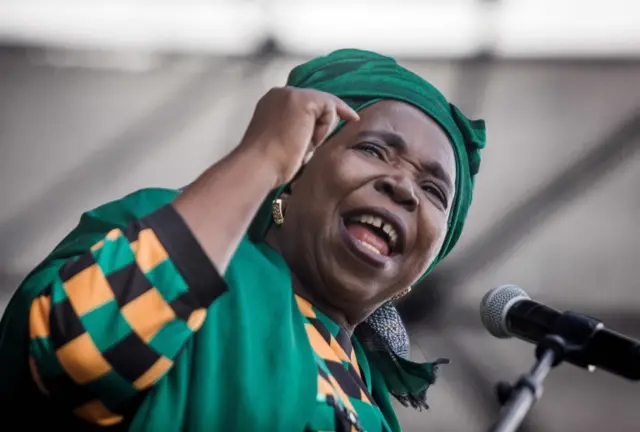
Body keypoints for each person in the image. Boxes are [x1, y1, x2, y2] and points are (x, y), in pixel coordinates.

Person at [0, 49, 486, 431]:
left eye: (433, 190)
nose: (402, 187)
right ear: (296, 168)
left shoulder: (370, 403)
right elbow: (83, 353)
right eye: (374, 149)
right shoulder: (165, 231)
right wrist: (259, 157)